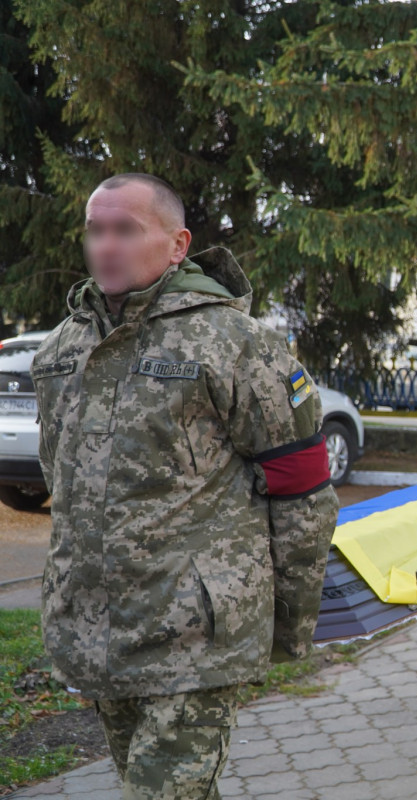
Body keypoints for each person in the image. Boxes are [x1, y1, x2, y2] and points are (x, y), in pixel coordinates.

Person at [33, 173, 338, 799]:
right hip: (98, 629)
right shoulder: (62, 349)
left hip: (197, 632)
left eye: (126, 230)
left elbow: (302, 489)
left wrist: (289, 621)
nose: (106, 246)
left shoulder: (233, 343)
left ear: (177, 245)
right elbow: (59, 482)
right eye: (96, 230)